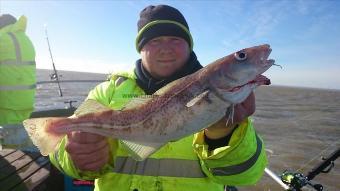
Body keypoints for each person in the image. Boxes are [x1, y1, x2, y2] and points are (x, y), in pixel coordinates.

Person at [49, 5, 267, 191]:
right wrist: (77, 156)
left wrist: (223, 134)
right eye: (154, 41)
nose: (165, 49)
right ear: (140, 48)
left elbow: (243, 177)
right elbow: (61, 158)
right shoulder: (106, 92)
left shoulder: (234, 97)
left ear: (189, 45)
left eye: (174, 39)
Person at [0, 14, 36, 149]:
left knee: (9, 140)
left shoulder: (4, 39)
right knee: (19, 131)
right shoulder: (26, 40)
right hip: (25, 99)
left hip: (8, 102)